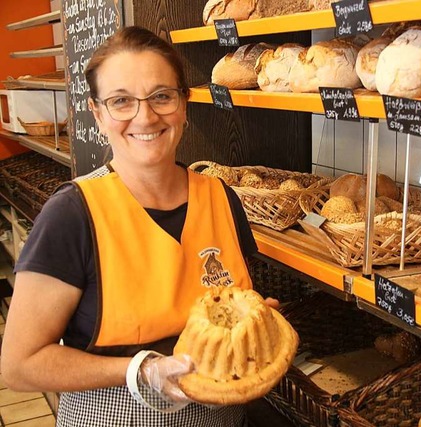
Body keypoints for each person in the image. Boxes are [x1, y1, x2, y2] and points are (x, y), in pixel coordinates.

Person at [1, 26, 263, 426]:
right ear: (98, 114)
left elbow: (238, 307)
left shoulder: (221, 198)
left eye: (162, 96)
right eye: (121, 101)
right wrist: (139, 370)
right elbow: (19, 365)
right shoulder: (73, 214)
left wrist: (254, 326)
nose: (145, 116)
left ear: (184, 104)